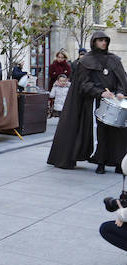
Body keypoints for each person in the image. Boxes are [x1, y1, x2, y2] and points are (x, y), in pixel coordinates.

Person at [48, 31, 127, 174]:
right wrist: (100, 92)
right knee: (99, 133)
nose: (103, 43)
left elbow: (122, 79)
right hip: (94, 103)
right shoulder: (85, 61)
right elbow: (83, 84)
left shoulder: (114, 60)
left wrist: (120, 92)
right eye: (100, 40)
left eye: (105, 40)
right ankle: (100, 162)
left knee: (119, 134)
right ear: (94, 42)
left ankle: (118, 163)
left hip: (114, 102)